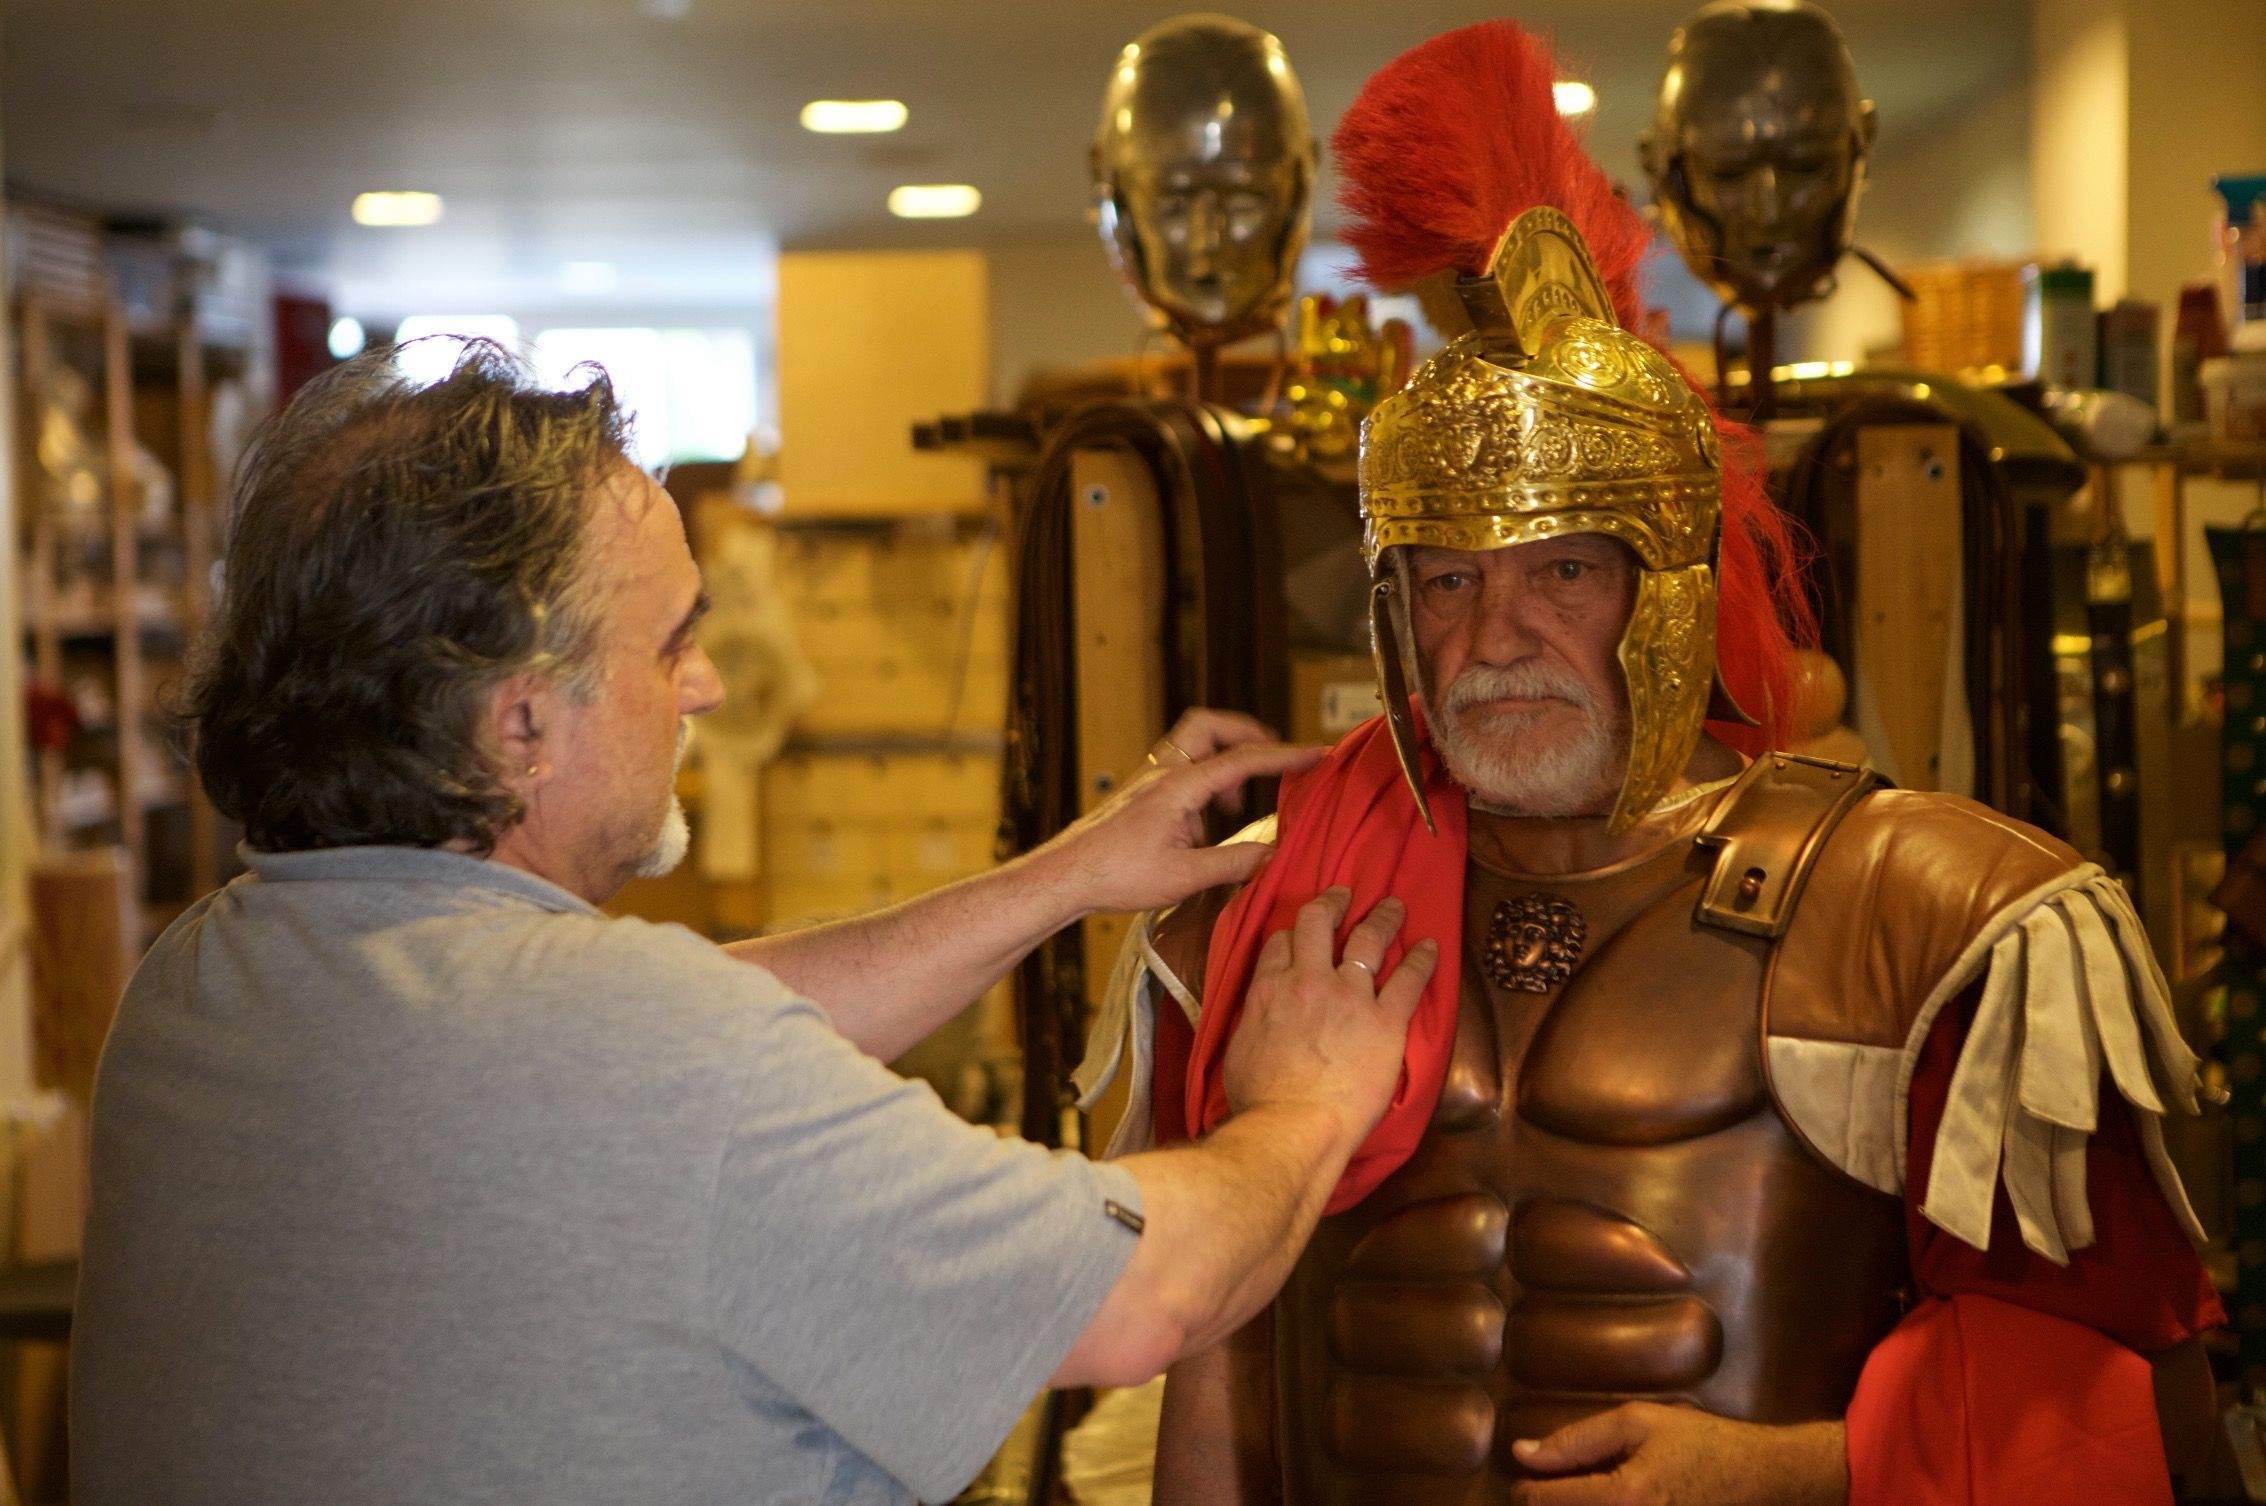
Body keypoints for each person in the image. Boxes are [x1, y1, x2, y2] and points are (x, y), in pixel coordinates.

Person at [1082, 23, 2224, 1506]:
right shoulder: (1261, 920)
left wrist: (1795, 1474)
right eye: (1446, 581)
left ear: (1669, 591)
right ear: (1391, 611)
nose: (1495, 636)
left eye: (1562, 572)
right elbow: (1220, 1364)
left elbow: (2124, 1415)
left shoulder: (1930, 919)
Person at [67, 342, 1436, 1506]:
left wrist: (1063, 877)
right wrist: (1302, 1107)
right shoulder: (647, 1055)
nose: (707, 686)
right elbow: (1143, 1299)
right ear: (521, 722)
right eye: (671, 642)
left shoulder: (201, 978)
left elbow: (677, 1026)